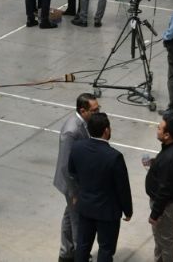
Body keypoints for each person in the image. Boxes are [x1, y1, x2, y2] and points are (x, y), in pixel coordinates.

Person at [68, 112, 133, 262]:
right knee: (105, 249)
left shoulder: (77, 147)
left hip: (85, 207)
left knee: (83, 246)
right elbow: (122, 187)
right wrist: (128, 210)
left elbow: (72, 171)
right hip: (107, 212)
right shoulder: (114, 156)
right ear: (106, 130)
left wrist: (78, 194)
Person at [54, 93, 99, 262]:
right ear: (83, 110)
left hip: (78, 181)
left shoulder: (85, 124)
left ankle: (66, 253)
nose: (98, 113)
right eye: (94, 110)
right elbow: (66, 167)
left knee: (69, 215)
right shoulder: (71, 132)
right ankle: (80, 256)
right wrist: (74, 193)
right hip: (71, 184)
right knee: (78, 221)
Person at [144, 114, 173, 262]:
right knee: (161, 238)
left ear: (167, 135)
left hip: (166, 206)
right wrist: (156, 164)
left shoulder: (169, 159)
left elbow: (164, 190)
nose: (156, 129)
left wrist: (155, 214)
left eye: (159, 128)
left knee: (166, 241)